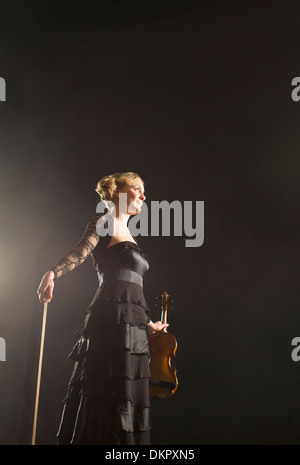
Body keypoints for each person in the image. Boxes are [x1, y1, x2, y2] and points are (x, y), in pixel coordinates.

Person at [37, 172, 168, 445]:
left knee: (129, 395)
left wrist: (148, 323)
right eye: (137, 189)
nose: (144, 196)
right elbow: (82, 251)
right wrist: (52, 272)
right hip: (109, 321)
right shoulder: (104, 221)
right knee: (109, 391)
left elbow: (132, 291)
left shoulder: (130, 233)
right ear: (119, 191)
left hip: (134, 324)